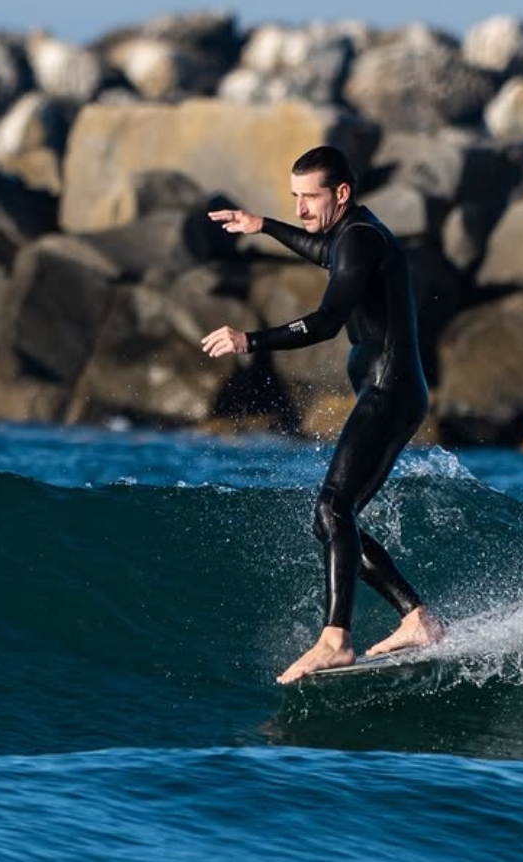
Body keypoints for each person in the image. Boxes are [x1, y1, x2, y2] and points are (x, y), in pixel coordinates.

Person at [202, 145, 443, 684]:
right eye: (295, 198)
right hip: (394, 392)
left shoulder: (359, 237)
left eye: (310, 198)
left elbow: (328, 321)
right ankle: (418, 618)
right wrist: (263, 225)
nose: (302, 208)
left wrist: (248, 340)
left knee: (333, 508)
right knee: (332, 518)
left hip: (388, 391)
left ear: (341, 194)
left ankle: (336, 639)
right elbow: (323, 251)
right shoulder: (356, 233)